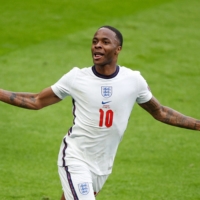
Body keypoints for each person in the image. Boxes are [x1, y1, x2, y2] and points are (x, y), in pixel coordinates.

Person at [0, 25, 199, 200]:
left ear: (118, 49)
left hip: (103, 164)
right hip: (75, 157)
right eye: (95, 41)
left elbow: (161, 112)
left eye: (105, 42)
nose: (97, 45)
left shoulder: (133, 80)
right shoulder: (77, 78)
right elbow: (36, 100)